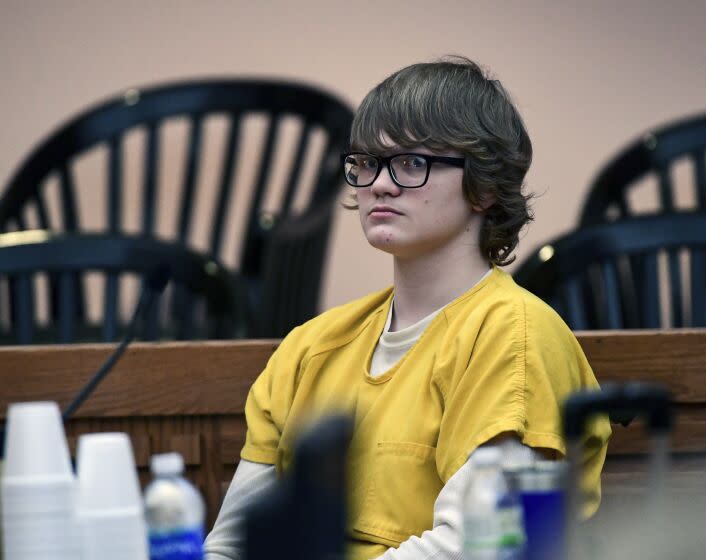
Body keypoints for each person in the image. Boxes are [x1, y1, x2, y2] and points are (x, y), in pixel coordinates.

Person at [204, 56, 611, 560]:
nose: (379, 183)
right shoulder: (309, 346)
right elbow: (231, 547)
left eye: (412, 163)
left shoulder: (513, 333)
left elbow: (474, 548)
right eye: (367, 163)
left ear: (483, 186)